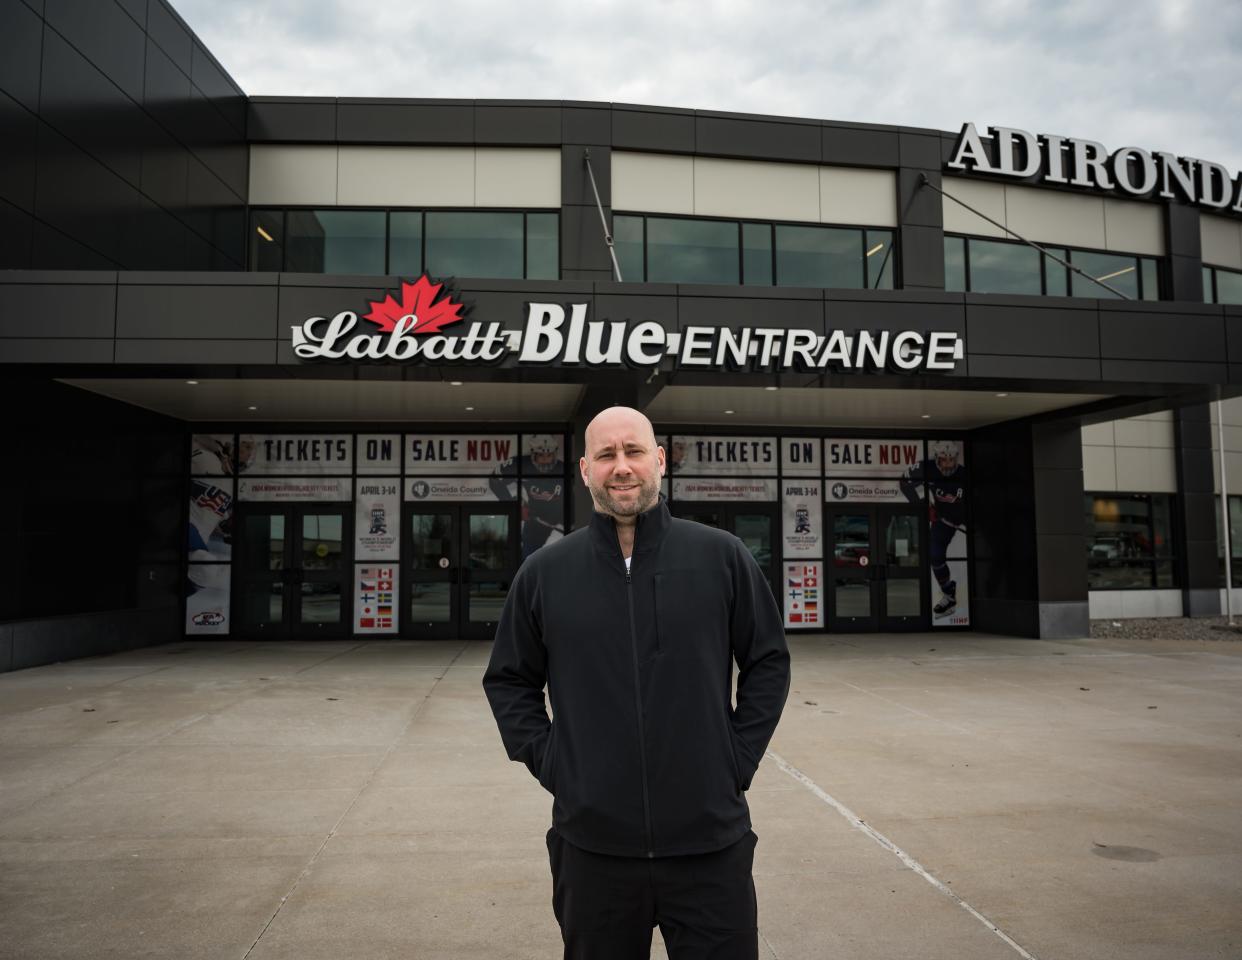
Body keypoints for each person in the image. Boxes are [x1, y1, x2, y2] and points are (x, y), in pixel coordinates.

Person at [482, 406, 790, 960]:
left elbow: (768, 660)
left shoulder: (721, 557)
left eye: (634, 452)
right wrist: (557, 765)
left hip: (709, 845)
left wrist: (735, 758)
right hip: (592, 849)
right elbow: (509, 680)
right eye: (606, 455)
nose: (621, 467)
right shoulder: (546, 573)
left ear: (660, 461)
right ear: (584, 470)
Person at [899, 439, 966, 617]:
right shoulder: (927, 468)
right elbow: (904, 482)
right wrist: (921, 507)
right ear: (937, 458)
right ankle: (949, 593)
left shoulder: (965, 474)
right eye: (944, 459)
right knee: (935, 556)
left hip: (966, 513)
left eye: (952, 459)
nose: (948, 464)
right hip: (943, 518)